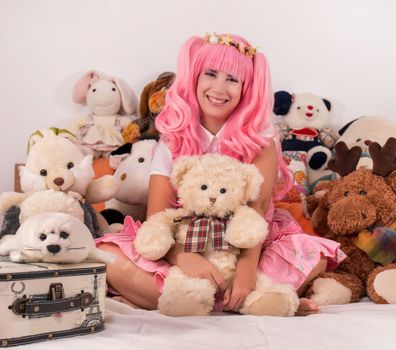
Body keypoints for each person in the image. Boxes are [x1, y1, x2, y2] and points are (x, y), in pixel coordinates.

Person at [97, 33, 346, 315]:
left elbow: (258, 211)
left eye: (232, 79)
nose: (219, 88)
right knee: (107, 256)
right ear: (194, 77)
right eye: (210, 74)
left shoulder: (261, 137)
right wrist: (184, 257)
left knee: (313, 255)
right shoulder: (172, 139)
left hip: (246, 245)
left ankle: (231, 294)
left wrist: (246, 271)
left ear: (246, 88)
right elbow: (157, 216)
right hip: (184, 241)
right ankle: (247, 299)